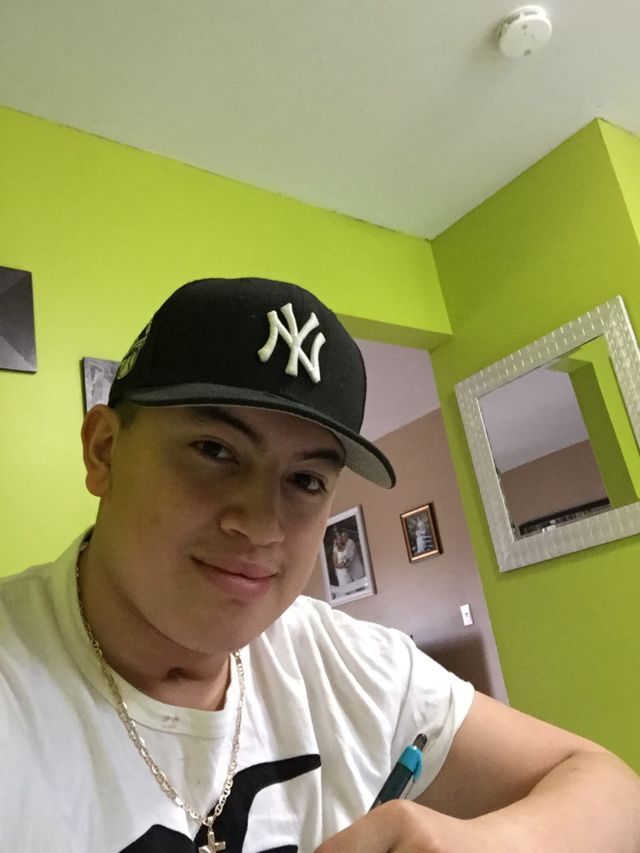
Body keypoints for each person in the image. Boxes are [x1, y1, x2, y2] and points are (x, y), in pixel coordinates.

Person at [1, 276, 639, 853]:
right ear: (104, 451)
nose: (260, 525)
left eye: (305, 480)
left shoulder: (350, 665)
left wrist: (482, 844)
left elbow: (613, 791)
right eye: (215, 450)